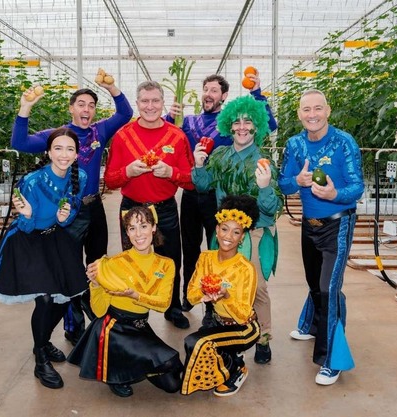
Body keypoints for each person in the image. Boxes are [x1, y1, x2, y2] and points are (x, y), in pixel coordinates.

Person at [11, 79, 133, 345]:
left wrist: (111, 87)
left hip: (94, 207)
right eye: (81, 104)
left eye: (91, 105)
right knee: (70, 269)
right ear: (71, 108)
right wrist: (25, 108)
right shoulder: (59, 136)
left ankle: (98, 320)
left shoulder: (100, 131)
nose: (86, 109)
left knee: (97, 264)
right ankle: (73, 326)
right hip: (67, 212)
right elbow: (19, 142)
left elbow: (125, 113)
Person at [0, 127, 88, 389]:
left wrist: (64, 218)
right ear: (48, 152)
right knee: (46, 298)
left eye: (70, 149)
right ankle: (41, 359)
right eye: (58, 148)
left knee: (66, 295)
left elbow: (70, 213)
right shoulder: (32, 181)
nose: (64, 154)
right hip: (26, 240)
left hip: (54, 237)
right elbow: (26, 226)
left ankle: (43, 340)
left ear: (76, 154)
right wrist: (27, 215)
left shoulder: (80, 177)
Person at [166, 73, 278, 314]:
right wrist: (170, 115)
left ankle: (215, 310)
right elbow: (168, 134)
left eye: (214, 90)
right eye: (205, 89)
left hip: (219, 196)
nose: (208, 94)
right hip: (195, 189)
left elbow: (268, 124)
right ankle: (190, 295)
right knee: (191, 247)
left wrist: (257, 93)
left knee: (218, 248)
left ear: (224, 95)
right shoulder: (190, 120)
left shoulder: (231, 123)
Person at [277, 89, 364, 385]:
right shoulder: (294, 144)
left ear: (327, 111)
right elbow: (283, 185)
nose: (312, 114)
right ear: (299, 114)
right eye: (306, 109)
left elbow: (357, 187)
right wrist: (297, 180)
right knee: (315, 283)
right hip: (308, 224)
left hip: (338, 226)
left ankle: (330, 359)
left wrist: (334, 194)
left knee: (329, 289)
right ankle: (313, 325)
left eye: (317, 108)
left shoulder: (343, 142)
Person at [192, 94, 283, 365]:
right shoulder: (220, 155)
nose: (242, 127)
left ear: (257, 126)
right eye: (237, 122)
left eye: (248, 122)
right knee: (217, 282)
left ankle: (263, 338)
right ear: (229, 126)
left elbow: (272, 207)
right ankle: (222, 330)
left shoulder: (264, 161)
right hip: (224, 232)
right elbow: (203, 185)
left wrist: (265, 187)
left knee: (257, 288)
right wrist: (199, 166)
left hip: (254, 233)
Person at [104, 80, 195, 329]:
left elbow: (191, 180)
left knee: (171, 260)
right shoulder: (123, 136)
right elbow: (110, 180)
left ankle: (172, 307)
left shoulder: (177, 136)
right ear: (137, 103)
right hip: (132, 208)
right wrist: (128, 171)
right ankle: (131, 311)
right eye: (145, 101)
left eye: (155, 100)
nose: (150, 106)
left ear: (163, 103)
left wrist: (171, 173)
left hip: (165, 208)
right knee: (130, 261)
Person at [68, 206, 183, 398]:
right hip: (114, 329)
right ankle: (115, 373)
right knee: (169, 361)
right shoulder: (113, 263)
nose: (138, 234)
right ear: (127, 233)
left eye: (143, 226)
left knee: (173, 383)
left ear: (154, 227)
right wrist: (95, 285)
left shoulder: (166, 264)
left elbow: (163, 304)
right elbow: (99, 311)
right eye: (132, 228)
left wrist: (135, 296)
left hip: (140, 327)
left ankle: (135, 364)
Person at [180, 195, 261, 397]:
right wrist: (204, 291)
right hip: (216, 322)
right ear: (216, 230)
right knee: (195, 352)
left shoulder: (246, 268)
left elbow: (243, 315)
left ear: (242, 237)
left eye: (236, 232)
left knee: (195, 342)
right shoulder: (206, 258)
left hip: (243, 328)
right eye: (224, 229)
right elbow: (190, 296)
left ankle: (237, 369)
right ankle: (230, 356)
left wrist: (225, 296)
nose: (228, 236)